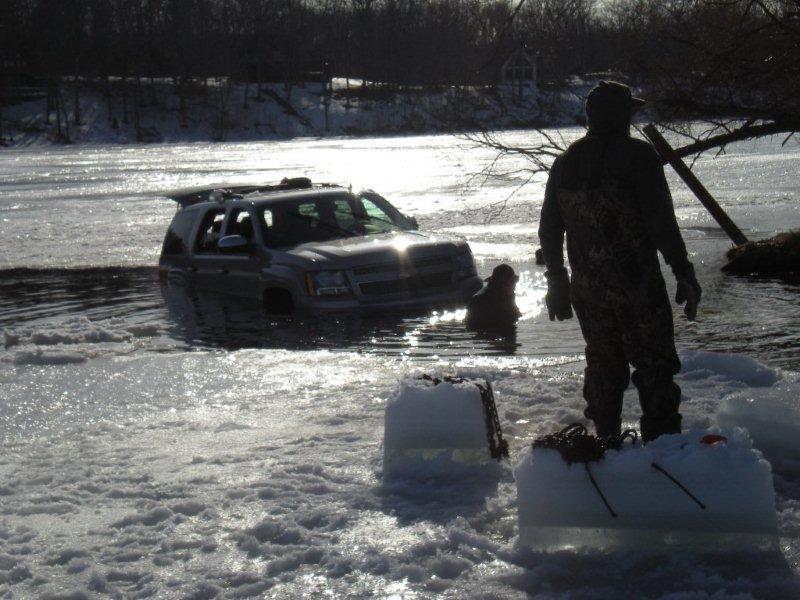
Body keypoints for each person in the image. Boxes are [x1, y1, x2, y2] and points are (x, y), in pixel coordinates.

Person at [538, 81, 702, 442]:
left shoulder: (564, 164)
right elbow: (661, 223)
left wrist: (557, 282)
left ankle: (606, 443)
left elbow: (549, 231)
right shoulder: (639, 157)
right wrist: (683, 271)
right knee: (655, 365)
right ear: (621, 115)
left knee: (603, 366)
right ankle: (662, 447)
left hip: (589, 291)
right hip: (637, 287)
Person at [465, 263, 522, 331]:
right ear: (503, 284)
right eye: (513, 282)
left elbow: (516, 314)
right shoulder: (481, 300)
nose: (514, 286)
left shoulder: (507, 296)